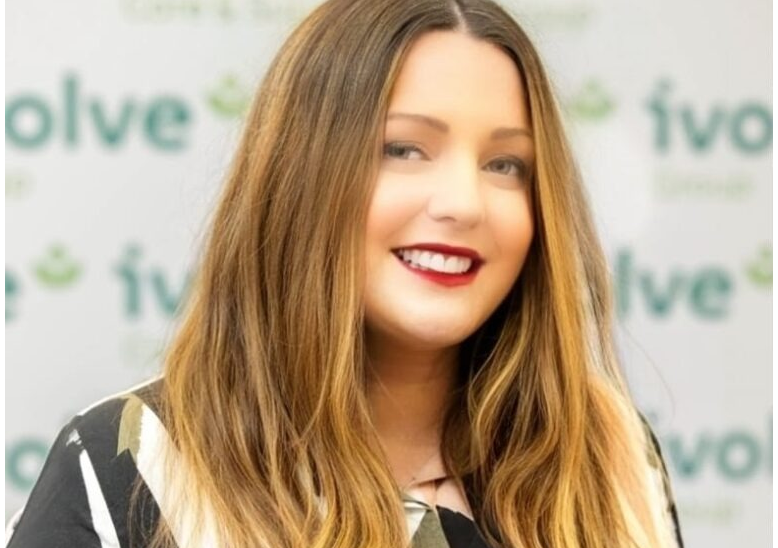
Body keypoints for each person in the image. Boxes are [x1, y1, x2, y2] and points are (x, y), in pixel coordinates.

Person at [6, 1, 684, 547]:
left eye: (505, 164)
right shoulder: (131, 465)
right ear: (301, 175)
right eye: (405, 149)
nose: (464, 203)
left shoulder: (614, 455)